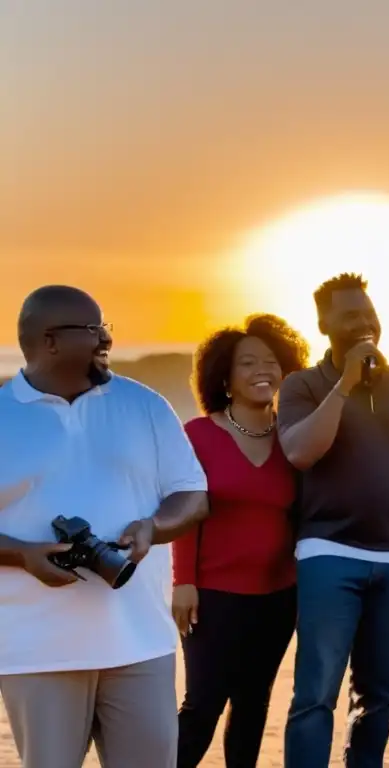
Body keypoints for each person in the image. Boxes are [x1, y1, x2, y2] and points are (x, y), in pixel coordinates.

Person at [0, 285, 209, 768]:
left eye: (105, 327)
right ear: (49, 340)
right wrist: (22, 555)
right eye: (93, 330)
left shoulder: (146, 405)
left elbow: (192, 494)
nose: (106, 340)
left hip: (139, 644)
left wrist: (153, 528)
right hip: (37, 650)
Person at [277, 273, 389, 768]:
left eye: (368, 313)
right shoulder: (303, 385)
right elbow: (300, 452)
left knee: (379, 693)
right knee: (316, 692)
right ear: (323, 324)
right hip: (328, 553)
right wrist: (346, 384)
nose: (364, 323)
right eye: (350, 315)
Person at [173, 314, 310, 768]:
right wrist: (183, 582)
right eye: (247, 362)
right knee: (202, 706)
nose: (262, 371)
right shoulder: (198, 435)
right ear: (225, 377)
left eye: (271, 361)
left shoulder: (294, 441)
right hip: (211, 597)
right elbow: (184, 516)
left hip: (277, 598)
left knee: (253, 706)